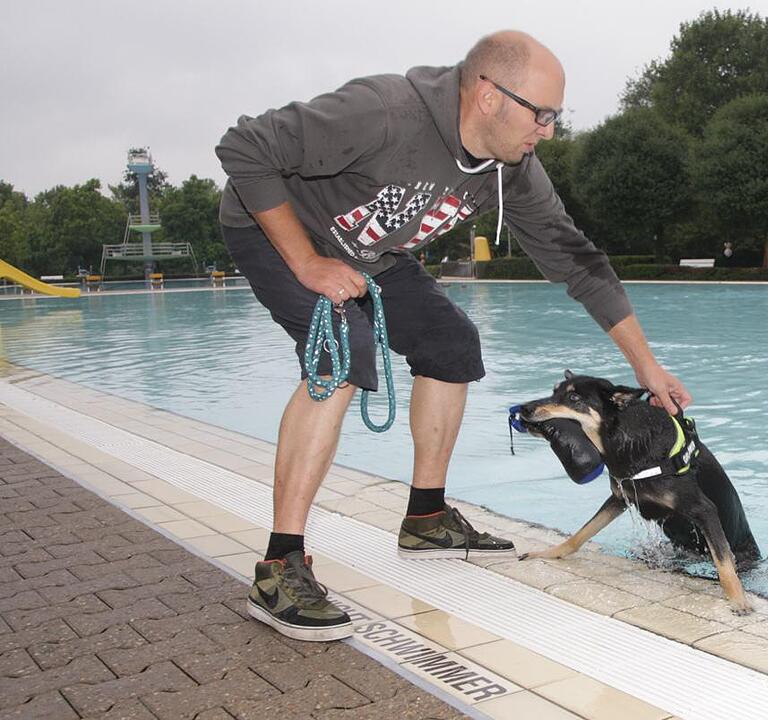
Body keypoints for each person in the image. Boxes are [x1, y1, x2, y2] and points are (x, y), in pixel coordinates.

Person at [216, 30, 692, 642]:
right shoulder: (384, 112)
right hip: (276, 231)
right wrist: (307, 264)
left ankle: (427, 517)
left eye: (555, 116)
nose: (548, 130)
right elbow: (245, 147)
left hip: (372, 255)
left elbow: (579, 263)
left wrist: (647, 368)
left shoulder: (509, 170)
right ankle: (280, 565)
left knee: (452, 344)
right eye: (541, 113)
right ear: (490, 96)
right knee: (345, 349)